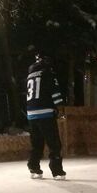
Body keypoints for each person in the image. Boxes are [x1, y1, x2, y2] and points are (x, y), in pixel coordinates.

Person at [25, 51, 66, 179]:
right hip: (45, 113)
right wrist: (61, 110)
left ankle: (33, 167)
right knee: (54, 144)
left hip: (31, 113)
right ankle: (57, 171)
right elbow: (55, 93)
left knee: (37, 143)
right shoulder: (48, 73)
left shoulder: (30, 75)